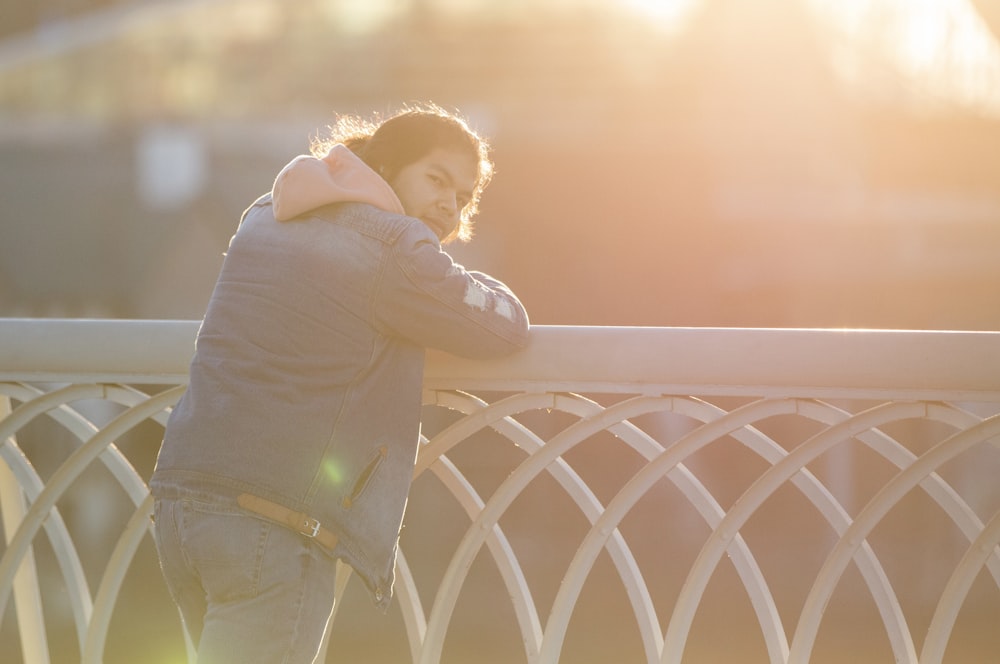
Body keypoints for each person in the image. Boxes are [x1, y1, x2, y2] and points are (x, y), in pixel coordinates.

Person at [149, 103, 530, 664]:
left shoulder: (265, 212)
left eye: (464, 197)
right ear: (390, 165)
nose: (450, 205)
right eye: (437, 180)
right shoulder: (393, 248)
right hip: (270, 527)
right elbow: (502, 326)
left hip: (183, 503)